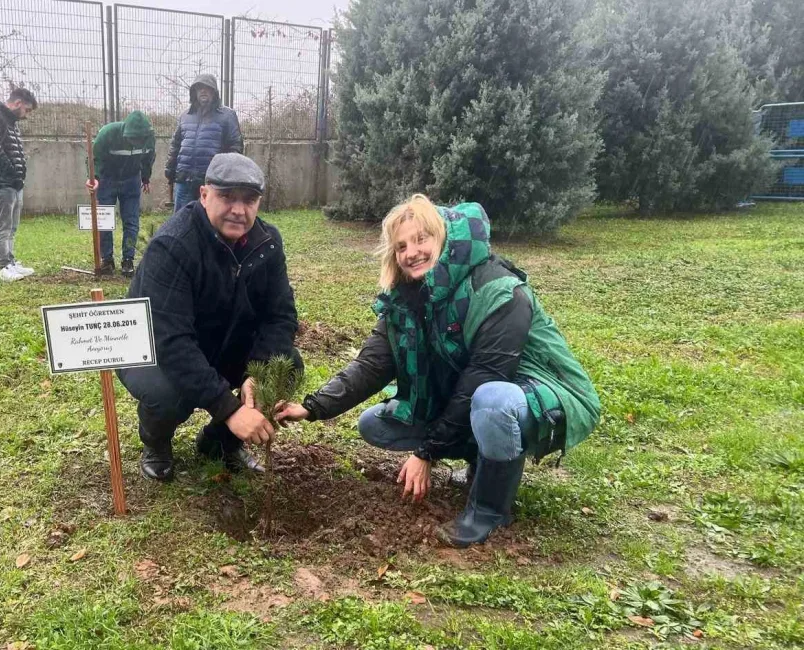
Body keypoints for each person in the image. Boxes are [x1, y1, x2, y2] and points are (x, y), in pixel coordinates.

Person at [276, 194, 600, 547]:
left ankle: (490, 510)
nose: (410, 252)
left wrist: (426, 452)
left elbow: (485, 375)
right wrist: (312, 407)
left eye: (420, 239)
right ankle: (478, 457)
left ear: (442, 237)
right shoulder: (407, 301)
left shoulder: (497, 290)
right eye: (400, 247)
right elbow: (370, 365)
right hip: (473, 398)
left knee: (492, 400)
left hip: (543, 394)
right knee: (375, 424)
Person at [118, 153, 301, 482]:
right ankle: (156, 442)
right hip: (155, 351)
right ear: (204, 195)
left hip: (222, 342)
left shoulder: (268, 243)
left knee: (284, 366)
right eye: (226, 197)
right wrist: (228, 408)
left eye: (249, 200)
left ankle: (219, 442)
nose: (239, 210)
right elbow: (170, 341)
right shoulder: (174, 245)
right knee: (166, 394)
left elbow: (281, 315)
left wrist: (256, 372)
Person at [85, 110, 155, 277]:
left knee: (131, 222)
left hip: (131, 180)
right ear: (126, 132)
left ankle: (128, 260)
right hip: (107, 180)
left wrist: (146, 177)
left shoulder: (149, 138)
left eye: (140, 139)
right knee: (105, 220)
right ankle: (107, 260)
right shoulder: (108, 133)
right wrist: (94, 178)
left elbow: (149, 158)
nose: (136, 142)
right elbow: (95, 158)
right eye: (133, 139)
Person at [0, 87, 38, 282]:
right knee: (3, 226)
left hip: (13, 183)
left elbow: (14, 151)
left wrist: (19, 175)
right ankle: (3, 267)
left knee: (12, 226)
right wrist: (13, 173)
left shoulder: (10, 121)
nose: (26, 115)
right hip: (0, 183)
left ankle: (11, 263)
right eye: (27, 110)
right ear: (18, 103)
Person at [164, 74, 244, 214]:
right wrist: (170, 170)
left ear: (214, 92)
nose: (203, 91)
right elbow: (175, 146)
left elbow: (235, 147)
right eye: (199, 88)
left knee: (210, 223)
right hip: (184, 179)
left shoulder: (227, 115)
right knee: (181, 223)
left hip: (211, 181)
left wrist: (224, 175)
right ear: (194, 92)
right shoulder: (185, 116)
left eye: (207, 88)